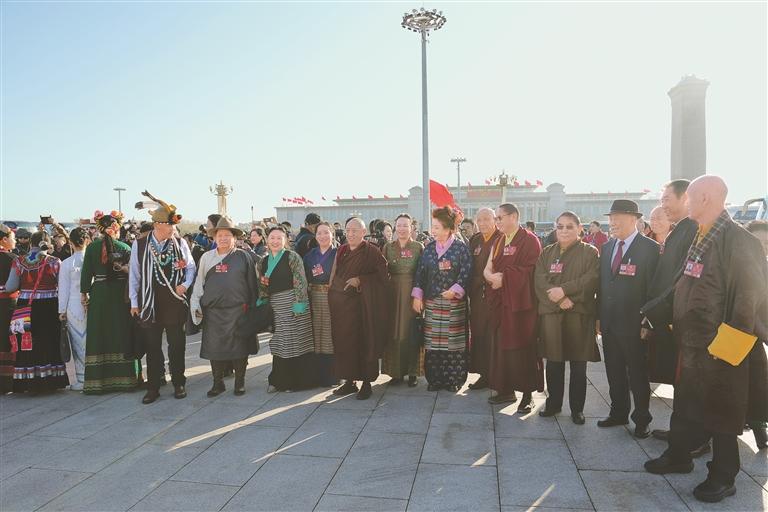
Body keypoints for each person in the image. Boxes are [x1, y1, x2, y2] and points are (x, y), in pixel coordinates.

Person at [644, 176, 768, 503]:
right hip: (692, 343)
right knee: (685, 404)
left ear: (706, 198)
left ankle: (723, 477)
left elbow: (749, 298)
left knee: (723, 413)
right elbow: (685, 281)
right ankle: (679, 456)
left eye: (691, 196)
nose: (685, 202)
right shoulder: (700, 234)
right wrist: (657, 314)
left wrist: (725, 349)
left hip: (722, 348)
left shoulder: (739, 240)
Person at [641, 180, 701, 445]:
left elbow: (684, 277)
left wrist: (656, 307)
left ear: (685, 198)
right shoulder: (681, 229)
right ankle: (681, 430)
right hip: (669, 314)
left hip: (680, 316)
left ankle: (694, 437)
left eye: (666, 199)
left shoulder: (692, 229)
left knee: (689, 380)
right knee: (680, 379)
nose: (663, 205)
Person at [598, 199, 659, 438]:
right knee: (614, 371)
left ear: (634, 219)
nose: (613, 223)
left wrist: (648, 321)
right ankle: (618, 412)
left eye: (618, 218)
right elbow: (602, 286)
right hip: (609, 323)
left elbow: (654, 289)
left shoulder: (650, 248)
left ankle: (642, 419)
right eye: (611, 218)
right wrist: (598, 317)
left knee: (638, 375)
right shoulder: (607, 247)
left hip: (635, 324)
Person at [130, 191, 196, 404]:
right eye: (170, 225)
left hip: (174, 301)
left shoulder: (180, 243)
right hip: (150, 302)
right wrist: (134, 302)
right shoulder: (140, 244)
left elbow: (191, 267)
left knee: (177, 345)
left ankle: (178, 382)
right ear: (158, 224)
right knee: (152, 347)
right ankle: (153, 387)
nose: (173, 229)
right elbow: (134, 275)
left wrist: (185, 285)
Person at [535, 212, 600, 424]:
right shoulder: (547, 252)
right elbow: (539, 280)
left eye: (569, 226)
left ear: (580, 228)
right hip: (553, 314)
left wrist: (564, 291)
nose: (564, 230)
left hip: (578, 313)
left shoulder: (589, 252)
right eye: (560, 226)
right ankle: (553, 403)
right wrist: (559, 299)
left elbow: (590, 280)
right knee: (553, 363)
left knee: (578, 366)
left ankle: (577, 409)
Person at [483, 203, 544, 410]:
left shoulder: (530, 240)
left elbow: (532, 270)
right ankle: (506, 390)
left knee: (523, 347)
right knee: (502, 346)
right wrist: (491, 277)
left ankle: (527, 395)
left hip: (521, 304)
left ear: (514, 217)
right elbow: (488, 267)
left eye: (500, 217)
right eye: (496, 218)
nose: (497, 222)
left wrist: (505, 278)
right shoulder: (499, 241)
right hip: (501, 302)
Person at [191, 217, 257, 397]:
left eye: (227, 235)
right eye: (220, 235)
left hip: (238, 310)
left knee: (240, 348)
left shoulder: (243, 256)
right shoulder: (206, 257)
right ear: (214, 237)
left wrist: (252, 309)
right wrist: (195, 303)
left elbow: (252, 285)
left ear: (234, 237)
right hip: (213, 311)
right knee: (215, 348)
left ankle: (239, 382)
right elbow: (199, 283)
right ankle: (217, 383)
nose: (223, 238)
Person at [328, 217, 390, 399]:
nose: (351, 234)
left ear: (364, 232)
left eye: (355, 230)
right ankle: (349, 381)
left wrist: (361, 280)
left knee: (364, 343)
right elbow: (336, 274)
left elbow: (383, 277)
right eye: (348, 230)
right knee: (345, 344)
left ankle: (366, 383)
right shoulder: (342, 250)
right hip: (343, 308)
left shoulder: (372, 252)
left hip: (364, 307)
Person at [412, 207, 472, 392]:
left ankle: (454, 380)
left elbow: (466, 271)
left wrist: (455, 290)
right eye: (433, 227)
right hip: (432, 302)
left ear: (448, 229)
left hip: (454, 303)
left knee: (453, 343)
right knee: (433, 343)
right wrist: (417, 296)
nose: (433, 230)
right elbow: (420, 273)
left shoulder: (461, 248)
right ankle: (435, 379)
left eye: (437, 227)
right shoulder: (429, 249)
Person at [79, 211, 139, 394]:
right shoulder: (125, 247)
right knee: (121, 332)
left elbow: (86, 274)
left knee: (99, 334)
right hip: (120, 295)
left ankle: (97, 382)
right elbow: (134, 275)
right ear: (116, 228)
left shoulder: (91, 248)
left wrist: (84, 294)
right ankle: (127, 379)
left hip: (99, 295)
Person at [3, 230, 69, 392]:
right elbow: (62, 286)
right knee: (47, 340)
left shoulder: (19, 261)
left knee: (27, 343)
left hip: (25, 306)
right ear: (47, 244)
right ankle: (48, 381)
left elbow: (10, 287)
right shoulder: (54, 262)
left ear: (31, 243)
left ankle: (27, 381)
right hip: (49, 306)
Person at [259, 226, 316, 392]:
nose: (275, 241)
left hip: (294, 303)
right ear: (267, 240)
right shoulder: (263, 261)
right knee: (279, 343)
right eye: (272, 238)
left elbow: (300, 281)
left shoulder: (292, 257)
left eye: (279, 238)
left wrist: (299, 304)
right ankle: (278, 380)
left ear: (285, 240)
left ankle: (298, 382)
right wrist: (262, 300)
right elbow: (262, 284)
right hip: (276, 305)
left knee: (296, 342)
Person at [382, 214, 424, 387]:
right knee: (394, 332)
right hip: (392, 293)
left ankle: (413, 372)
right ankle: (396, 373)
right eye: (399, 225)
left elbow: (422, 272)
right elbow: (382, 270)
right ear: (394, 227)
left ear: (411, 228)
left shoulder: (418, 247)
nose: (402, 229)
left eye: (405, 225)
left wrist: (419, 296)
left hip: (412, 292)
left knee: (411, 332)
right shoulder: (388, 247)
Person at [467, 208, 501, 390]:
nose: (482, 223)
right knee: (479, 333)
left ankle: (496, 375)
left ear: (495, 220)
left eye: (487, 219)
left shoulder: (501, 238)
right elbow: (468, 266)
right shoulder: (475, 240)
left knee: (494, 335)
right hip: (477, 295)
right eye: (479, 220)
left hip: (495, 294)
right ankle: (483, 374)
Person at [303, 222, 338, 387]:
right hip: (314, 296)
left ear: (332, 234)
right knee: (315, 333)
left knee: (331, 333)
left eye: (326, 232)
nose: (323, 236)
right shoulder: (310, 255)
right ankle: (316, 375)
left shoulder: (339, 253)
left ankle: (333, 375)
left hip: (333, 297)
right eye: (319, 233)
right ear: (315, 236)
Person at [57, 227, 91, 391]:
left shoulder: (66, 263)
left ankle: (82, 379)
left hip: (73, 306)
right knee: (92, 341)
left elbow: (63, 289)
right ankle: (95, 376)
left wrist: (61, 310)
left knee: (78, 342)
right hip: (92, 304)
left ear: (70, 242)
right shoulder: (92, 260)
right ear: (87, 241)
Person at [744, 219, 768, 449]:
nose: (762, 248)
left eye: (767, 244)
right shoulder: (736, 266)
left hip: (756, 338)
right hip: (735, 334)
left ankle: (759, 428)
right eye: (758, 243)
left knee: (758, 384)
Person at [0, 225, 19, 393]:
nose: (15, 241)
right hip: (8, 305)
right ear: (4, 239)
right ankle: (6, 383)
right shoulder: (12, 259)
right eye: (13, 238)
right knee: (7, 341)